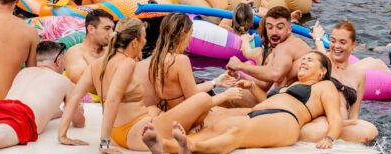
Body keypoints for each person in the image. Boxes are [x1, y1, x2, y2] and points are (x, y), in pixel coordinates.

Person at [57, 17, 241, 152]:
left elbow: (75, 96)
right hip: (134, 133)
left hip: (119, 132)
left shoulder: (98, 64)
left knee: (153, 108)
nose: (146, 42)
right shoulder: (126, 63)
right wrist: (104, 144)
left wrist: (62, 134)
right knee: (202, 99)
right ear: (135, 42)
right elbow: (112, 99)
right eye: (144, 38)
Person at [143, 51, 343, 153]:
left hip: (286, 120)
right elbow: (267, 102)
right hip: (259, 112)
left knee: (236, 135)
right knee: (215, 126)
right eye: (303, 59)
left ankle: (189, 148)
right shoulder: (289, 86)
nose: (304, 62)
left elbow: (335, 117)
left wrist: (330, 138)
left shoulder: (325, 87)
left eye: (310, 60)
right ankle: (169, 147)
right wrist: (252, 87)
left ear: (323, 70)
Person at [135, 13, 235, 110]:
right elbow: (193, 98)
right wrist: (226, 95)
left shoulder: (156, 59)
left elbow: (187, 90)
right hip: (186, 116)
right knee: (241, 113)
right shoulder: (180, 60)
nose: (190, 39)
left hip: (171, 110)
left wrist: (215, 82)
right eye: (190, 33)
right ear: (183, 34)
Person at [306, 20, 378, 143]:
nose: (337, 46)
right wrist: (318, 40)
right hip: (321, 120)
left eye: (342, 42)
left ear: (353, 45)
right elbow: (320, 55)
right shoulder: (323, 62)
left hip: (343, 124)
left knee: (370, 132)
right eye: (333, 41)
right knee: (318, 130)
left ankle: (337, 132)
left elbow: (354, 114)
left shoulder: (359, 75)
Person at [227, 6, 311, 99]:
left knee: (230, 99)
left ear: (289, 29)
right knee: (230, 96)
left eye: (279, 27)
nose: (274, 32)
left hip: (296, 102)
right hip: (286, 98)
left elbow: (275, 75)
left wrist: (240, 66)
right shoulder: (274, 53)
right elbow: (264, 84)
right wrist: (238, 76)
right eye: (270, 27)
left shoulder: (286, 47)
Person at [64, 8, 115, 83]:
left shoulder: (111, 50)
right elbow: (81, 80)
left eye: (112, 29)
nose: (111, 33)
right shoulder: (75, 52)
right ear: (91, 29)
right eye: (107, 28)